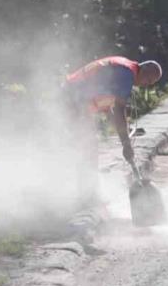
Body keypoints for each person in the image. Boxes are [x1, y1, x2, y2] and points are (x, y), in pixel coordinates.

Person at [64, 56, 162, 203]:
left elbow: (109, 110)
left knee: (87, 146)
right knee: (87, 145)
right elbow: (119, 110)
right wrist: (126, 144)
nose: (145, 85)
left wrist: (123, 134)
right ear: (144, 71)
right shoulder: (127, 74)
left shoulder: (124, 68)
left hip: (74, 99)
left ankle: (88, 192)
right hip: (71, 100)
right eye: (148, 81)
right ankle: (85, 196)